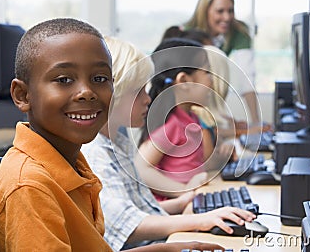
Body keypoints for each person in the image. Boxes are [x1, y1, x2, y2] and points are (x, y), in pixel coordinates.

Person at [0, 18, 224, 252]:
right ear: (22, 95)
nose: (86, 92)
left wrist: (171, 249)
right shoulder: (30, 186)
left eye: (100, 79)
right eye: (64, 79)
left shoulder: (72, 162)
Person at [82, 36, 256, 250]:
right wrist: (198, 219)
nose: (147, 99)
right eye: (139, 92)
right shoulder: (95, 154)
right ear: (110, 94)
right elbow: (128, 226)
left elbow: (142, 209)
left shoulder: (118, 143)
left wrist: (183, 203)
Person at [135, 37, 230, 200]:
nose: (212, 82)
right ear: (184, 81)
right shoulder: (173, 125)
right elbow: (141, 169)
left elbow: (193, 165)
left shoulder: (191, 118)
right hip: (174, 210)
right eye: (207, 73)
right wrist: (185, 190)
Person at [184, 0, 264, 131]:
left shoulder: (238, 32)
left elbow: (247, 79)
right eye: (220, 11)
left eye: (230, 11)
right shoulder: (186, 35)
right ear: (205, 11)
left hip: (209, 107)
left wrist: (255, 123)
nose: (227, 17)